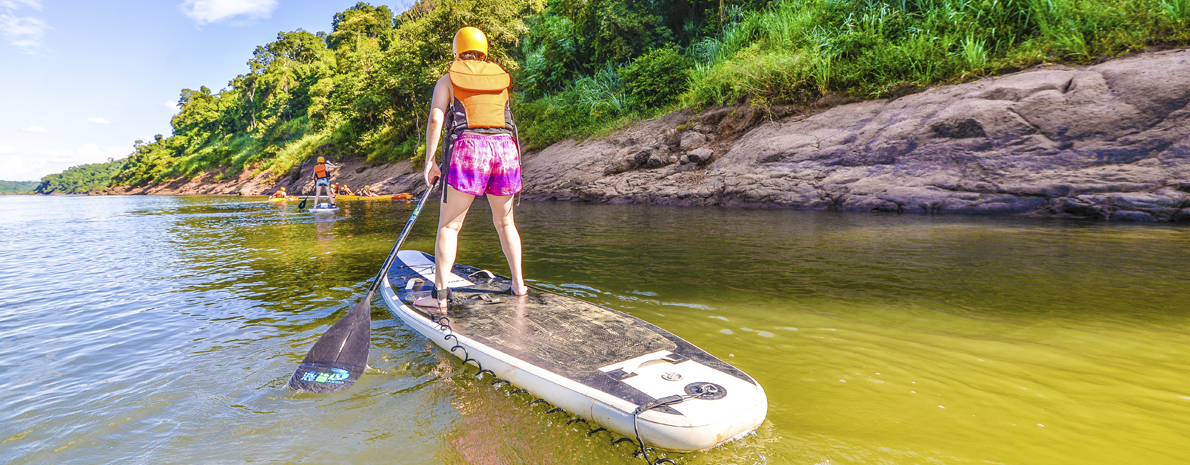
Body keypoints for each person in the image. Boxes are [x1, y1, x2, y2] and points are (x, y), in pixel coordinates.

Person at [415, 26, 527, 308]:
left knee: (450, 227)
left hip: (470, 150)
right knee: (505, 223)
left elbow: (435, 120)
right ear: (484, 49)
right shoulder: (501, 79)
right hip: (505, 149)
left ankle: (439, 297)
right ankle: (518, 285)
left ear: (457, 50)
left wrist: (430, 162)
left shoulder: (447, 80)